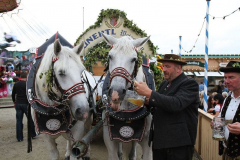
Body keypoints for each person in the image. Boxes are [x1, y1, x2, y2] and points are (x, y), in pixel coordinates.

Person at [134, 54, 199, 160]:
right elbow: (160, 106)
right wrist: (147, 102)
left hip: (178, 144)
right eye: (163, 66)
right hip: (160, 142)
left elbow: (176, 104)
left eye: (168, 66)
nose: (163, 69)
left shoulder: (189, 83)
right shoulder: (165, 84)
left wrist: (150, 93)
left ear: (178, 68)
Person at [212, 61, 240, 159]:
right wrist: (216, 123)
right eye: (225, 78)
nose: (226, 81)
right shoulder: (227, 99)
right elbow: (221, 118)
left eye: (231, 77)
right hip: (227, 150)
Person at [12, 71, 36, 142]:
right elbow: (31, 94)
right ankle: (32, 134)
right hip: (26, 103)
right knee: (30, 120)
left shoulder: (16, 84)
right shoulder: (28, 84)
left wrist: (14, 102)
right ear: (26, 77)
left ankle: (19, 137)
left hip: (18, 103)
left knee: (19, 121)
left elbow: (13, 94)